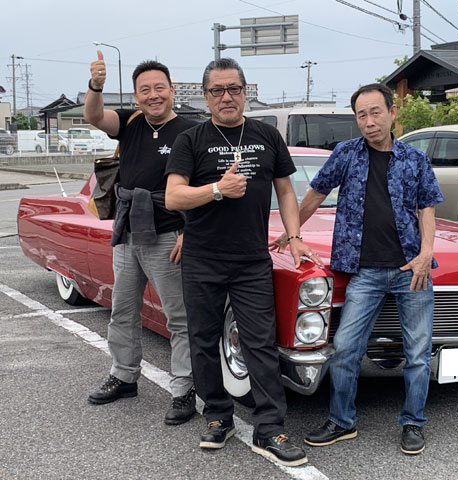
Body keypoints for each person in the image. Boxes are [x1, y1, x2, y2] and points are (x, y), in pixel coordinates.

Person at [270, 83, 444, 455]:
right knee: (346, 348)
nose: (369, 121)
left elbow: (427, 208)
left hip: (412, 270)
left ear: (392, 113)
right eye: (361, 115)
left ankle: (413, 423)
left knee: (417, 353)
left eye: (375, 112)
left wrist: (426, 253)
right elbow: (315, 194)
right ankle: (342, 421)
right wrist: (291, 233)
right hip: (364, 272)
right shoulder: (346, 154)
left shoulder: (415, 159)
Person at [164, 58, 321, 467]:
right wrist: (217, 189)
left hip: (252, 258)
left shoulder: (266, 135)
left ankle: (270, 428)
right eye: (217, 90)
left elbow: (285, 191)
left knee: (260, 342)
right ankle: (218, 416)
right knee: (203, 340)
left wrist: (295, 237)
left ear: (245, 92)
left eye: (234, 88)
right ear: (206, 97)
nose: (226, 97)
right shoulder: (191, 140)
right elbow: (174, 197)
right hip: (202, 257)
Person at [84, 52, 197, 426]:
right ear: (136, 96)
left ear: (172, 89)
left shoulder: (190, 130)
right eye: (145, 90)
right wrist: (96, 85)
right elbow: (94, 116)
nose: (153, 95)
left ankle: (184, 389)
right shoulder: (130, 123)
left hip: (169, 233)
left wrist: (189, 231)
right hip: (129, 231)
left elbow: (200, 185)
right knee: (122, 309)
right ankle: (124, 375)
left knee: (178, 317)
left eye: (159, 87)